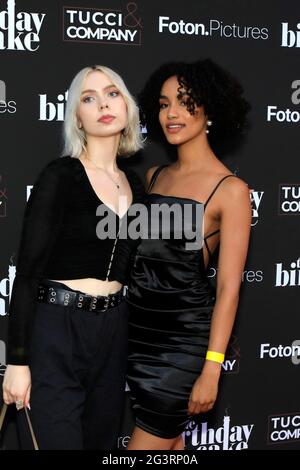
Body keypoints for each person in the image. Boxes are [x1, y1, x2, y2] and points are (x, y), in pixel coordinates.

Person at [2, 65, 144, 450]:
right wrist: (17, 362)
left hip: (114, 331)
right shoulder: (60, 176)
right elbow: (27, 273)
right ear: (77, 117)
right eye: (88, 98)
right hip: (57, 329)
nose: (102, 104)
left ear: (127, 107)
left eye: (112, 93)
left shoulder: (138, 184)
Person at [126, 59, 252, 450]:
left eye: (185, 101)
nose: (172, 113)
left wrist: (212, 368)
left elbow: (229, 288)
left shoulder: (231, 191)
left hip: (181, 349)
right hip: (138, 340)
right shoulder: (154, 177)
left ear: (210, 108)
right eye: (164, 104)